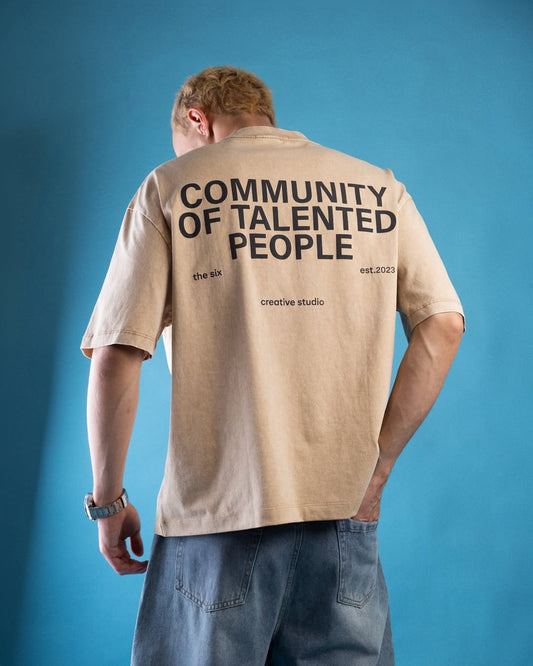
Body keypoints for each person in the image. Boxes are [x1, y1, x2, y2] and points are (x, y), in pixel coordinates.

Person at [82, 66, 464, 665]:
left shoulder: (172, 186)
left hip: (217, 518)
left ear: (197, 120)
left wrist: (108, 505)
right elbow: (443, 324)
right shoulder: (378, 190)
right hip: (346, 517)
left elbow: (117, 353)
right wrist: (377, 469)